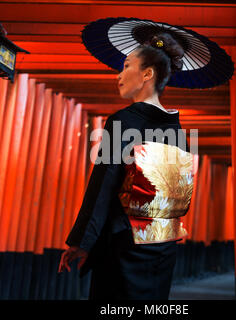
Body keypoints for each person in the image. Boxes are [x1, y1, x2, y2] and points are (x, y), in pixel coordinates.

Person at [58, 32, 194, 300]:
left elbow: (103, 185)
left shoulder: (123, 121)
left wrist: (82, 242)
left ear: (147, 74)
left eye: (127, 66)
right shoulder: (177, 129)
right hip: (163, 246)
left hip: (124, 243)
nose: (119, 76)